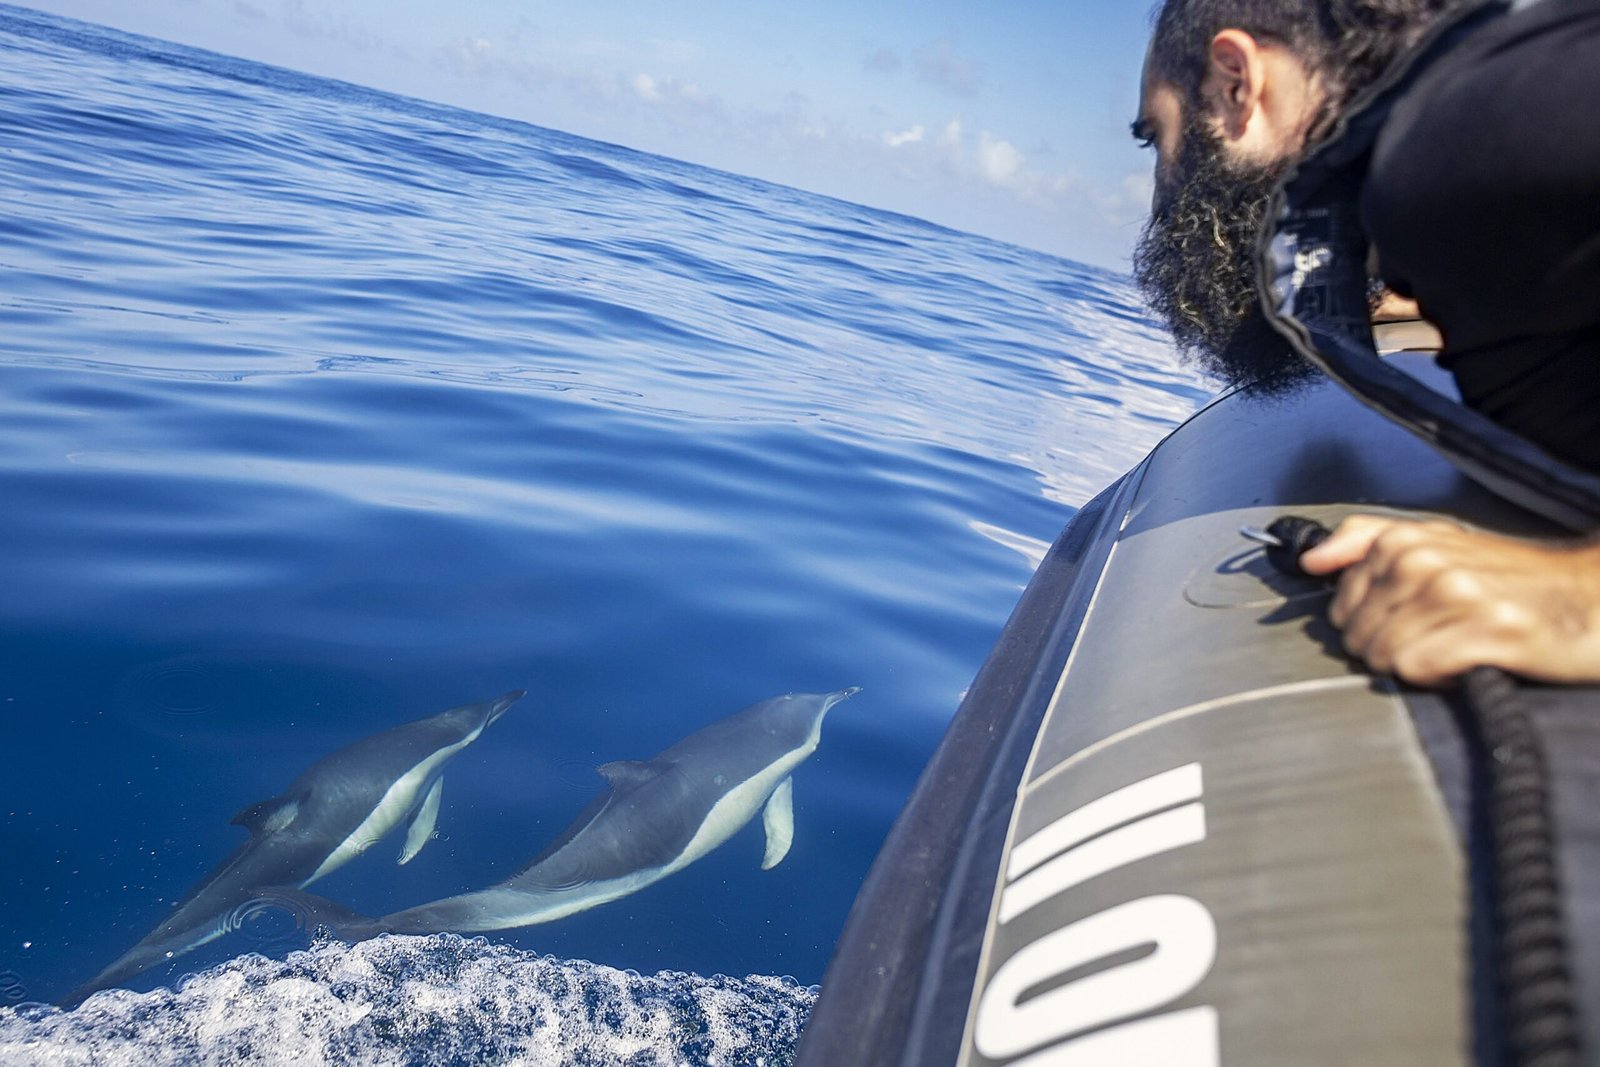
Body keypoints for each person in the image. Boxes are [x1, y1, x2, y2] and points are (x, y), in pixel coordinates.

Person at [1132, 0, 1600, 686]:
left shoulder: (1460, 136)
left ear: (1236, 84)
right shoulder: (1460, 166)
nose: (1159, 198)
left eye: (1158, 139)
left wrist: (1577, 599)